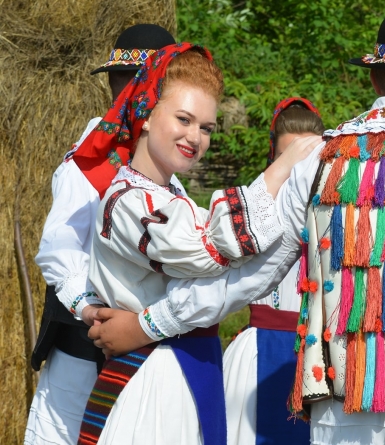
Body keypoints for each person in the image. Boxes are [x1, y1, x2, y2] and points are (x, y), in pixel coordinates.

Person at [72, 43, 317, 445]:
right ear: (146, 116)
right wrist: (283, 168)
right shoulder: (129, 201)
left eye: (205, 127)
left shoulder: (171, 200)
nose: (195, 137)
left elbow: (228, 266)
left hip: (181, 367)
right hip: (151, 375)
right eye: (183, 119)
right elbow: (208, 250)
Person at [25, 24, 177, 445]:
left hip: (143, 344)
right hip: (85, 341)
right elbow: (59, 248)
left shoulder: (162, 161)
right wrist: (91, 311)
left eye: (128, 80)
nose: (120, 90)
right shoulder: (93, 157)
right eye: (120, 80)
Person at [223, 97, 324, 445]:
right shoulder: (255, 206)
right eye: (287, 160)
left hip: (320, 356)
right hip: (261, 353)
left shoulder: (334, 207)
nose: (298, 172)